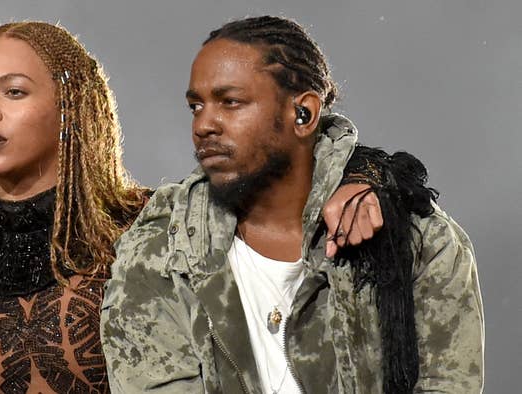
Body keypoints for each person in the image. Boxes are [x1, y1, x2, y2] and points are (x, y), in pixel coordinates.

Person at [0, 21, 388, 393]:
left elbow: (282, 169)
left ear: (71, 109)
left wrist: (366, 177)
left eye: (14, 92)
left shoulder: (153, 227)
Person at [101, 16, 484, 394]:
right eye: (196, 106)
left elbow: (448, 383)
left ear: (303, 114)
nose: (204, 125)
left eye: (230, 102)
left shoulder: (418, 242)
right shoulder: (160, 252)